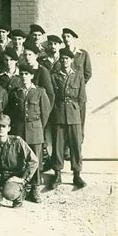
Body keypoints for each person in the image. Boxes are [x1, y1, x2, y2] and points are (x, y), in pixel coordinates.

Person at [5, 64, 51, 203]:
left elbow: (46, 112)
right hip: (19, 129)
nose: (24, 76)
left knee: (36, 160)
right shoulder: (15, 92)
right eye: (22, 74)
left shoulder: (39, 92)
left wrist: (38, 127)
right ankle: (21, 188)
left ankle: (35, 188)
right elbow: (11, 112)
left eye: (27, 74)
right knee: (20, 159)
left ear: (32, 76)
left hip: (35, 129)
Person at [49, 48, 87, 189]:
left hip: (74, 113)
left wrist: (81, 121)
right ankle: (57, 174)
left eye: (67, 58)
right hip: (58, 114)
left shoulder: (79, 76)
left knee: (75, 145)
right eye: (62, 58)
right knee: (58, 145)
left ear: (71, 60)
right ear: (59, 60)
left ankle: (77, 174)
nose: (64, 61)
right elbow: (52, 97)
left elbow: (82, 99)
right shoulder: (54, 76)